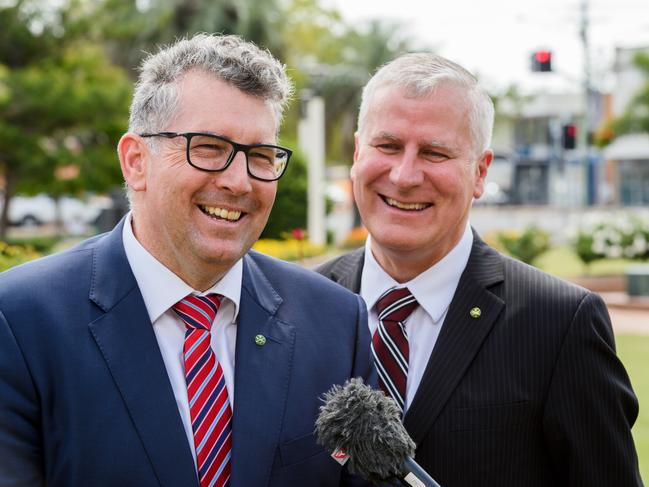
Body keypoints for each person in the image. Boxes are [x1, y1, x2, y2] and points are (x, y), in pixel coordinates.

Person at [0, 34, 373, 487]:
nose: (239, 182)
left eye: (260, 155)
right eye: (209, 148)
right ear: (136, 161)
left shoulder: (335, 322)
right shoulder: (20, 321)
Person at [317, 52, 642, 487]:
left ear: (480, 172)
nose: (405, 174)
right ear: (358, 152)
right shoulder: (301, 307)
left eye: (434, 152)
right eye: (388, 145)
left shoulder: (560, 323)